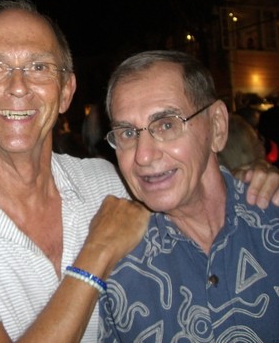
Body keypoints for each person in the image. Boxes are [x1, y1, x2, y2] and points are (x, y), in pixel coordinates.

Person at [0, 0, 279, 342]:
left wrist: (251, 177)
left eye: (39, 66)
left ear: (66, 92)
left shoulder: (108, 181)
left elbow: (194, 190)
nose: (18, 86)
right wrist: (97, 252)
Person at [98, 50, 279, 341]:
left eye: (166, 125)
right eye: (128, 133)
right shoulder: (116, 269)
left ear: (217, 126)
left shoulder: (271, 220)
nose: (143, 156)